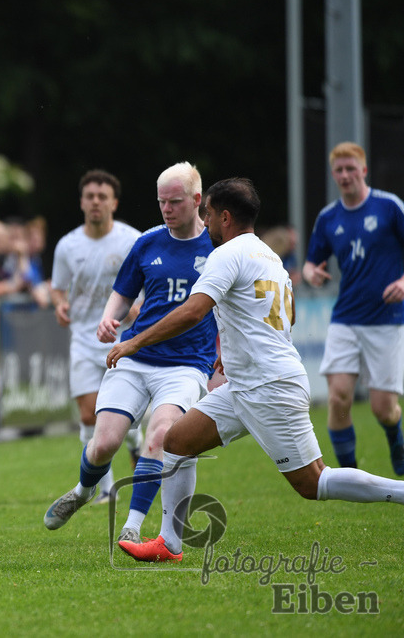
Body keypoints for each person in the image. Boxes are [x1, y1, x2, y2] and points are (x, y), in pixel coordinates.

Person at [112, 177, 404, 563]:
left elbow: (193, 311)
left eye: (209, 213)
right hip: (246, 384)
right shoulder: (270, 257)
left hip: (269, 386)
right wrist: (231, 348)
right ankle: (169, 543)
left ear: (225, 217)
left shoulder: (226, 254)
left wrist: (134, 341)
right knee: (177, 442)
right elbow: (289, 314)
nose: (206, 221)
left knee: (313, 482)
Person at [43, 162, 217, 544]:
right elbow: (123, 292)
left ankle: (133, 526)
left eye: (175, 202)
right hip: (135, 358)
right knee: (103, 442)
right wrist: (109, 319)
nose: (167, 209)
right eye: (161, 202)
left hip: (187, 365)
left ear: (197, 200)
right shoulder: (149, 241)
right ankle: (84, 490)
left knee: (159, 436)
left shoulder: (219, 247)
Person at [302, 142, 404, 475]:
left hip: (386, 321)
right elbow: (309, 263)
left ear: (363, 170)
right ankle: (350, 475)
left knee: (383, 409)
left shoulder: (389, 207)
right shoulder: (329, 217)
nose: (345, 175)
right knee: (339, 397)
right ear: (334, 175)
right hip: (345, 318)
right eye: (339, 170)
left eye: (350, 169)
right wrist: (311, 273)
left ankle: (395, 439)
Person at [50, 169, 144, 505]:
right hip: (84, 339)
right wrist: (60, 305)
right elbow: (58, 289)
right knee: (89, 415)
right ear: (81, 202)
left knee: (121, 414)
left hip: (123, 339)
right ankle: (105, 489)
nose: (95, 202)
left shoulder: (133, 240)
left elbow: (150, 283)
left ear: (114, 203)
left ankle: (134, 444)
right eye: (90, 196)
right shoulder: (68, 245)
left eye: (102, 196)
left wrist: (139, 308)